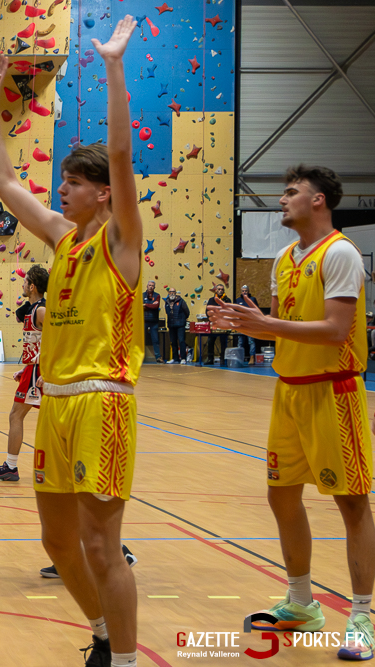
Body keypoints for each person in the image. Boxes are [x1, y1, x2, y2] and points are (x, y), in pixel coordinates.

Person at [0, 18, 143, 667]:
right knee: (57, 542)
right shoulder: (64, 239)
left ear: (102, 193)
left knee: (103, 546)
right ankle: (104, 631)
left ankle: (126, 659)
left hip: (102, 401)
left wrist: (111, 67)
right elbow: (5, 185)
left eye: (74, 182)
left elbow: (125, 158)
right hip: (57, 403)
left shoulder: (120, 240)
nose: (62, 189)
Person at [208, 165, 373, 661]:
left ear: (318, 201)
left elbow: (335, 330)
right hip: (289, 391)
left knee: (352, 504)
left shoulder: (340, 253)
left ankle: (363, 616)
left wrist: (267, 321)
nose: (282, 200)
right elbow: (281, 329)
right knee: (281, 498)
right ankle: (302, 602)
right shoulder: (284, 257)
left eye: (291, 192)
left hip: (333, 391)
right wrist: (242, 323)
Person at [0, 265, 48, 482]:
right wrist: (27, 367)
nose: (21, 285)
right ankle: (11, 466)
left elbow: (59, 341)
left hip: (41, 371)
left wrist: (46, 370)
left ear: (32, 286)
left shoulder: (42, 310)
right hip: (33, 369)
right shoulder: (34, 309)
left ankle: (11, 467)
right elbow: (38, 343)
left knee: (16, 415)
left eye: (24, 282)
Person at [203, 284, 231, 365]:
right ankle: (210, 359)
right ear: (216, 290)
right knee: (210, 341)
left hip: (223, 324)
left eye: (222, 289)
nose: (220, 291)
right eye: (219, 289)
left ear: (223, 291)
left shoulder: (227, 300)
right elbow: (207, 311)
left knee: (223, 343)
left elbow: (230, 311)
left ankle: (223, 359)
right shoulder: (212, 300)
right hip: (214, 324)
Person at [164, 288, 190, 364]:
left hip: (180, 324)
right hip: (171, 324)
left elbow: (187, 312)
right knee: (173, 342)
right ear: (168, 293)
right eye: (170, 292)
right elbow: (167, 312)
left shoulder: (181, 301)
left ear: (175, 293)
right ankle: (175, 358)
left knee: (181, 341)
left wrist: (182, 319)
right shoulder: (167, 301)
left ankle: (183, 359)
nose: (172, 293)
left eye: (173, 292)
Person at [234, 286, 259, 363]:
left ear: (248, 291)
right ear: (241, 292)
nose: (244, 292)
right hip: (240, 323)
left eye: (246, 291)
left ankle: (252, 357)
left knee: (251, 341)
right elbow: (234, 311)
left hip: (250, 323)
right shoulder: (238, 300)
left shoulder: (252, 299)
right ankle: (239, 357)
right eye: (243, 291)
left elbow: (257, 310)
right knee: (240, 342)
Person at [142, 281, 162, 362]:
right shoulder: (142, 295)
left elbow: (156, 306)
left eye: (152, 286)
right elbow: (139, 305)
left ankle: (158, 357)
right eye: (149, 285)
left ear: (154, 287)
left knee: (155, 340)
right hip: (144, 320)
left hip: (154, 321)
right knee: (142, 339)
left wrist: (145, 305)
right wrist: (150, 305)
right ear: (147, 286)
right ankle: (140, 357)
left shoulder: (157, 295)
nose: (151, 287)